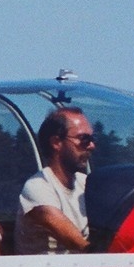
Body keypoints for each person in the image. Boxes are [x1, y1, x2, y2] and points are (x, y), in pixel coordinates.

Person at [16, 107, 94, 254]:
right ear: (56, 142)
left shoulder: (85, 183)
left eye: (92, 139)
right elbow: (77, 243)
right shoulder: (38, 186)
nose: (91, 145)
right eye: (84, 139)